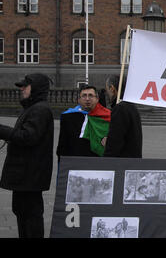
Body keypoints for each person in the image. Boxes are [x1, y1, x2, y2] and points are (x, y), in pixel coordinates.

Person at [0, 73, 54, 238]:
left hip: (30, 176)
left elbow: (27, 137)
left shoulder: (40, 109)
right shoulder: (33, 108)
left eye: (25, 86)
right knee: (22, 213)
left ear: (36, 88)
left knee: (31, 217)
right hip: (25, 177)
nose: (21, 89)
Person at [56, 85, 109, 161]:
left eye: (91, 95)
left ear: (97, 99)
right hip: (76, 161)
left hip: (98, 161)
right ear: (79, 99)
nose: (87, 99)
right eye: (84, 96)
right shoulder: (68, 116)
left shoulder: (107, 116)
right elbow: (63, 145)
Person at [102, 75, 142, 158]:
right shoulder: (130, 106)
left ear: (112, 88)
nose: (107, 94)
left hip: (122, 162)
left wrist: (106, 162)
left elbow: (115, 142)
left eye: (107, 90)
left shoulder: (120, 109)